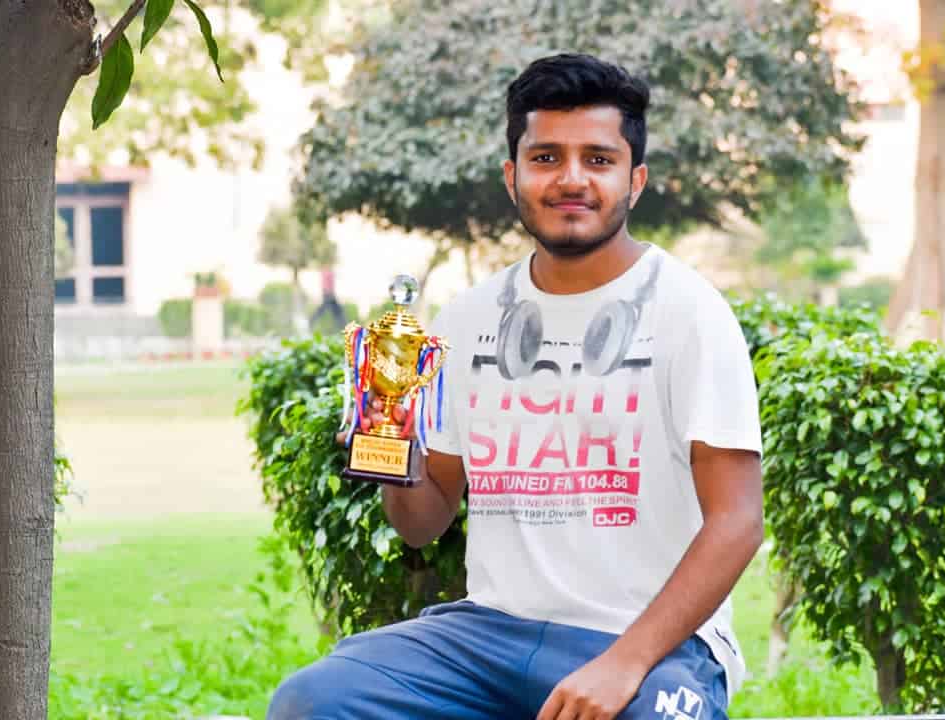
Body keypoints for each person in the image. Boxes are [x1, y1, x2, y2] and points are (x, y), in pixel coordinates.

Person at [266, 53, 764, 720]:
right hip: (490, 632)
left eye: (598, 159)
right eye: (546, 157)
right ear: (513, 176)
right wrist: (390, 446)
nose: (571, 179)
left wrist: (624, 663)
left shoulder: (690, 313)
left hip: (652, 643)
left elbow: (738, 521)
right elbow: (421, 523)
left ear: (635, 180)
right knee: (313, 701)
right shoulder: (467, 318)